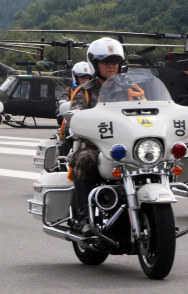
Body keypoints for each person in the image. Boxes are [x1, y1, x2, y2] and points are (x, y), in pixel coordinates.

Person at [66, 37, 128, 234]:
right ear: (95, 64)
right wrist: (75, 121)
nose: (111, 65)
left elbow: (149, 111)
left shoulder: (132, 90)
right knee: (84, 159)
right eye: (105, 61)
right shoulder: (85, 92)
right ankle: (85, 217)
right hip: (96, 148)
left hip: (129, 146)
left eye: (115, 61)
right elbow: (74, 118)